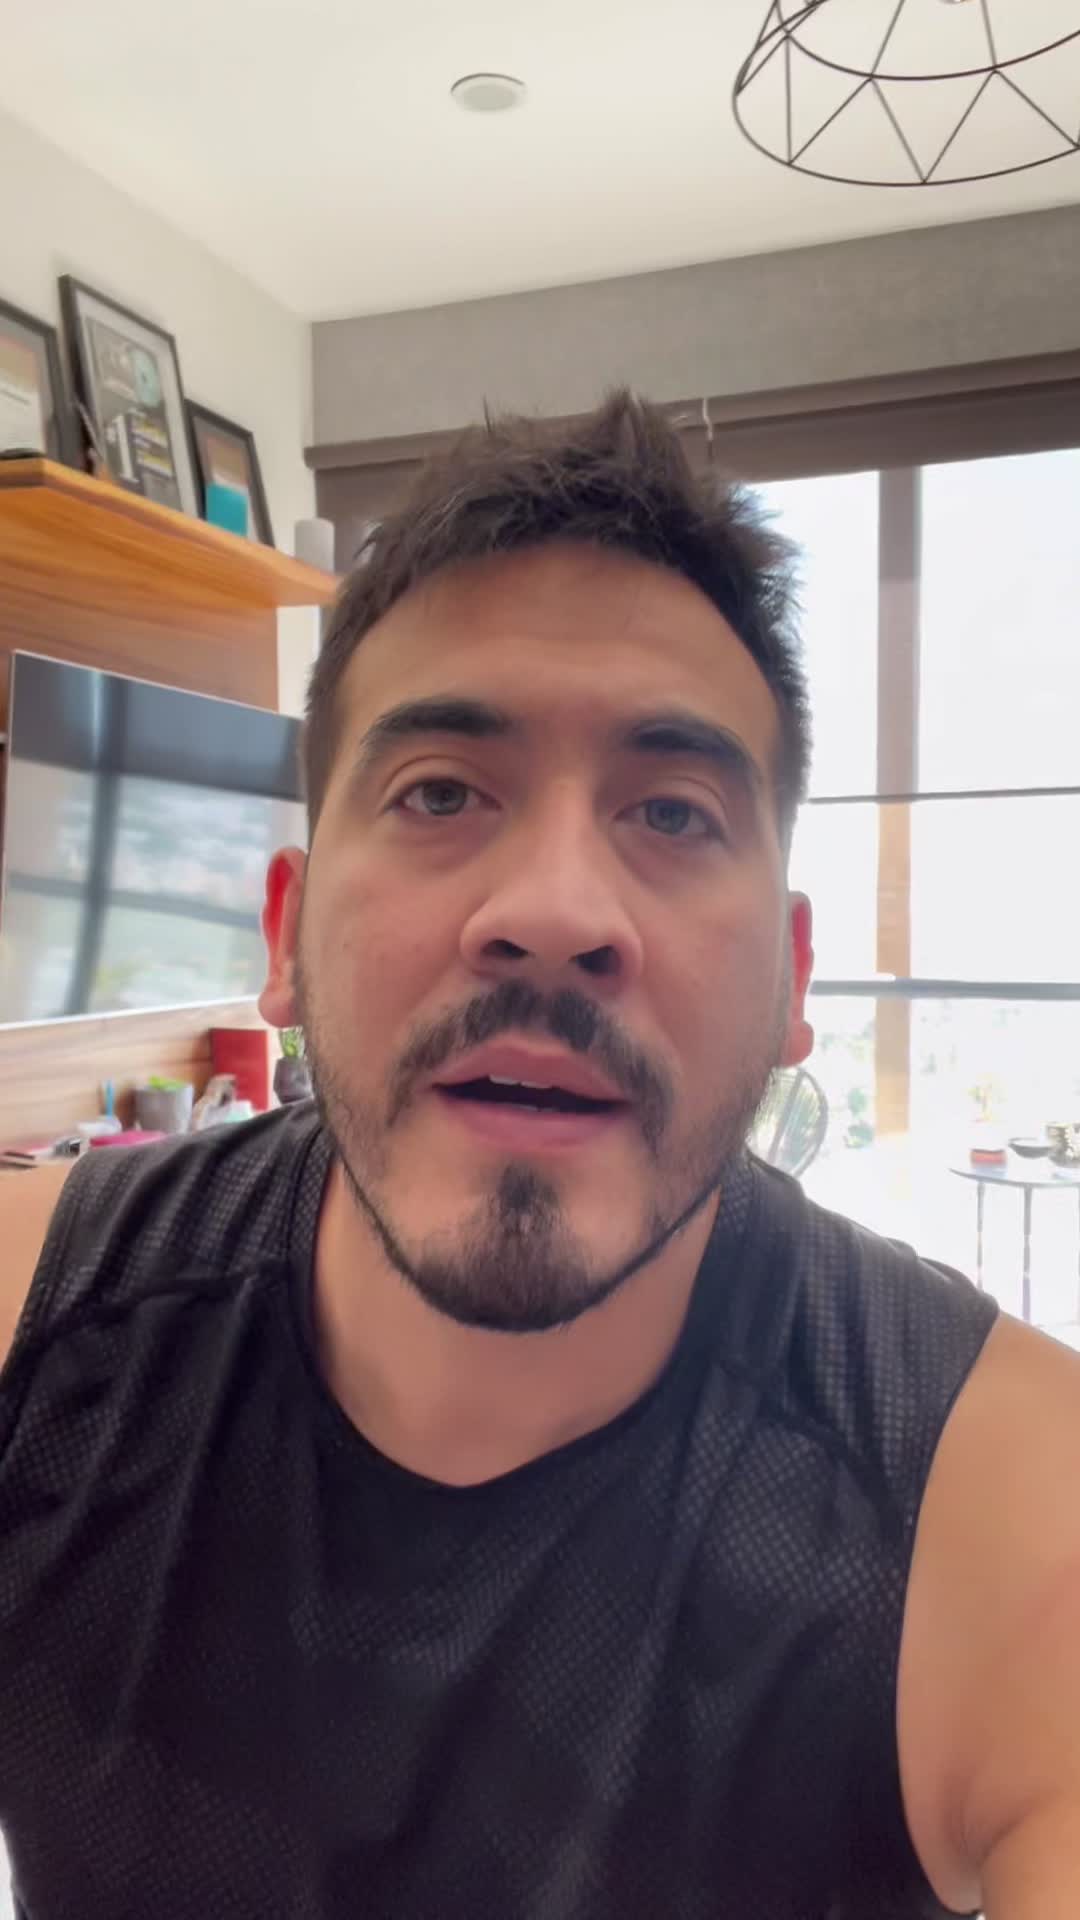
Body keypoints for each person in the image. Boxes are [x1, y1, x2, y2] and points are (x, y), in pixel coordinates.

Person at [1, 393, 1077, 1920]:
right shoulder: (35, 1328)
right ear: (285, 936)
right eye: (440, 792)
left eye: (674, 813)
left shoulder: (1009, 1514)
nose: (557, 911)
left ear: (792, 978)